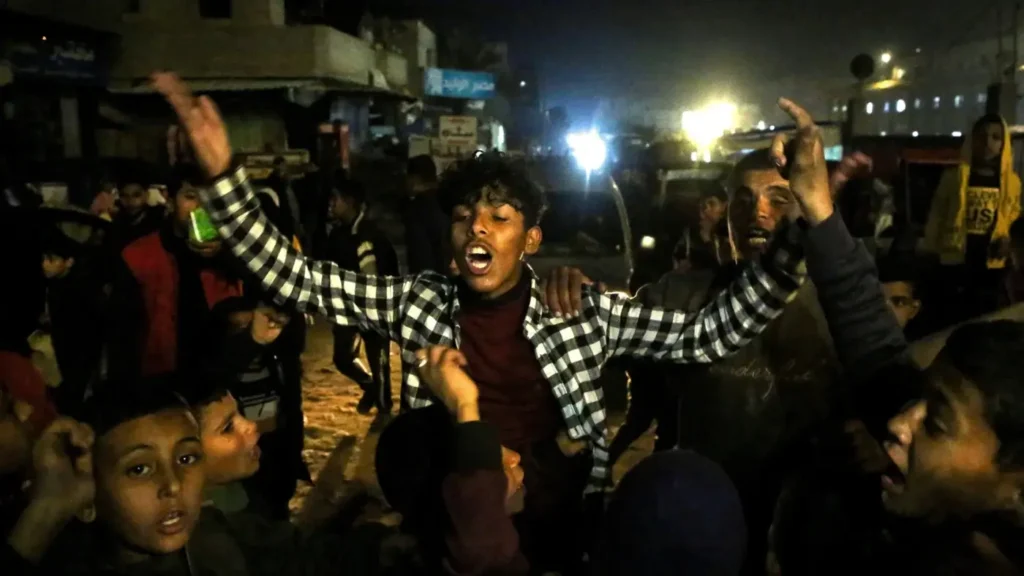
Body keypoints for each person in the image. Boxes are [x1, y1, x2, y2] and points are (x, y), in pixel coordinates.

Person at [155, 72, 809, 572]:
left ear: (530, 240)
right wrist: (225, 178)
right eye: (467, 216)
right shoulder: (418, 304)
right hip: (456, 540)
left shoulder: (580, 310)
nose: (479, 228)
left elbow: (705, 335)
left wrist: (794, 246)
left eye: (500, 218)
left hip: (566, 540)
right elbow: (298, 278)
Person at [2, 380, 392, 576]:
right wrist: (47, 508)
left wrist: (385, 546)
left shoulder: (220, 538)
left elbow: (313, 557)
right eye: (139, 469)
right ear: (89, 498)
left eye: (187, 458)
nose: (172, 485)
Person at [107, 163, 244, 381]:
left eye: (210, 198)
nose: (201, 207)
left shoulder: (235, 252)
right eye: (191, 197)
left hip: (220, 379)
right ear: (169, 201)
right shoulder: (137, 255)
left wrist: (224, 256)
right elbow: (122, 333)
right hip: (161, 380)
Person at [925, 113, 1022, 322]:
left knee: (986, 315)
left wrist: (1008, 243)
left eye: (996, 137)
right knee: (954, 315)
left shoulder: (1012, 182)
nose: (988, 143)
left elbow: (1013, 215)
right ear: (972, 140)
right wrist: (930, 248)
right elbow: (938, 213)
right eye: (982, 136)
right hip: (956, 259)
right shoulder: (954, 177)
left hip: (993, 261)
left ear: (1004, 143)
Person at [325, 176, 398, 415]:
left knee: (380, 363)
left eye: (335, 199)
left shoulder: (370, 234)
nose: (331, 204)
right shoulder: (339, 233)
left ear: (350, 201)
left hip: (374, 309)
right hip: (348, 308)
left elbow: (383, 273)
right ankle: (370, 386)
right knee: (342, 357)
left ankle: (384, 412)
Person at [404, 155, 451, 274]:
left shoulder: (417, 209)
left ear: (414, 179)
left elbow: (420, 254)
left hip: (429, 282)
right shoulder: (448, 201)